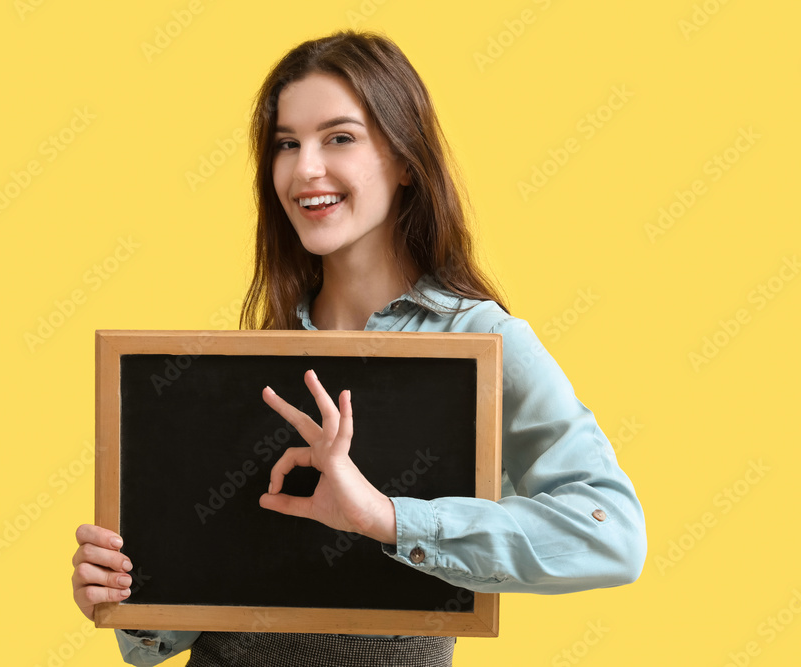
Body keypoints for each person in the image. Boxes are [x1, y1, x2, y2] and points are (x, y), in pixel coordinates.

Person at [71, 30, 647, 667]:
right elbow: (169, 630)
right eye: (287, 144)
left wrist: (390, 519)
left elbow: (612, 535)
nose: (305, 168)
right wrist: (125, 590)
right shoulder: (247, 364)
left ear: (405, 160)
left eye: (338, 137)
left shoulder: (480, 343)